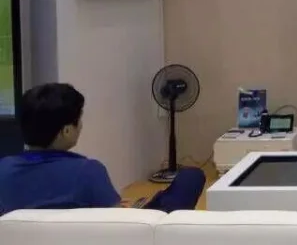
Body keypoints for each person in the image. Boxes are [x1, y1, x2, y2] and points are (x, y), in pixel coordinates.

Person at [0, 83, 205, 215]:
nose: (81, 126)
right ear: (66, 131)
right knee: (191, 177)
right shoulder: (87, 171)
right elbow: (114, 223)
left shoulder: (4, 169)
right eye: (79, 121)